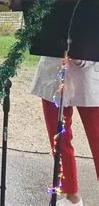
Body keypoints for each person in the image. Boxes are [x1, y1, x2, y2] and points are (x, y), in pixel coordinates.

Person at [31, 57, 99, 206]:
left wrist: (83, 58)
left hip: (91, 72)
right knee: (59, 139)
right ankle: (72, 197)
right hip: (53, 72)